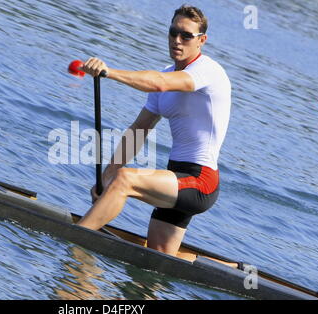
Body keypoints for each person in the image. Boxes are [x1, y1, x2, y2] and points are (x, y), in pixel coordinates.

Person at [77, 5, 231, 256]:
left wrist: (109, 72)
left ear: (202, 40)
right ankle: (231, 270)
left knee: (126, 180)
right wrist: (107, 176)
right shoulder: (167, 73)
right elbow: (139, 129)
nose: (177, 40)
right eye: (173, 32)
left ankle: (77, 238)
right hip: (176, 178)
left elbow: (159, 84)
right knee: (158, 259)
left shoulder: (208, 71)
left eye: (186, 36)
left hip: (200, 181)